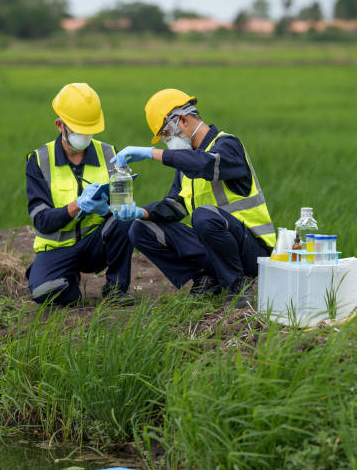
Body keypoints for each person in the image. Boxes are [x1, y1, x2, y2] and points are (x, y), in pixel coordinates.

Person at [110, 89, 276, 307]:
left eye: (166, 134)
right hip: (217, 247)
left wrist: (151, 153)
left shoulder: (227, 145)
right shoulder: (185, 167)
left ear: (182, 120)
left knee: (203, 215)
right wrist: (140, 212)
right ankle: (206, 278)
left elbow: (205, 164)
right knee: (140, 228)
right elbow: (174, 206)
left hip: (253, 253)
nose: (166, 142)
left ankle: (238, 285)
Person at [25, 82, 134, 306]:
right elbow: (41, 221)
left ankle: (116, 290)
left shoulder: (110, 153)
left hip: (94, 244)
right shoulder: (39, 160)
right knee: (47, 294)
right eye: (77, 129)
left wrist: (107, 209)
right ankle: (65, 280)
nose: (84, 135)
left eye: (88, 129)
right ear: (59, 125)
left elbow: (125, 205)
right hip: (56, 248)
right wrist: (76, 206)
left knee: (125, 220)